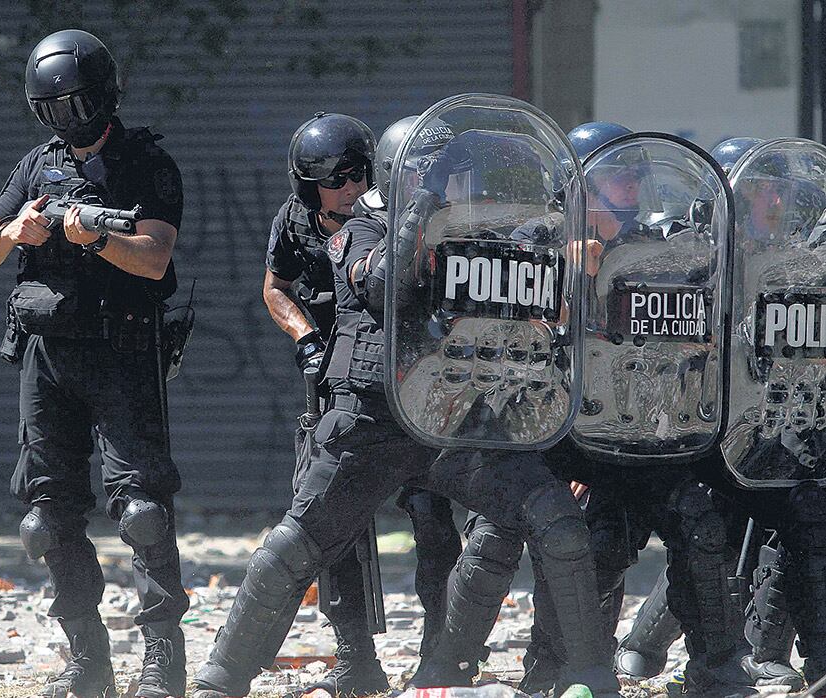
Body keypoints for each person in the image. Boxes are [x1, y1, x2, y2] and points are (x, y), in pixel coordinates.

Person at [191, 119, 621, 698]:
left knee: (556, 522)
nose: (441, 186)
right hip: (375, 426)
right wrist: (415, 213)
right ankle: (222, 677)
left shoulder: (476, 236)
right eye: (426, 175)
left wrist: (573, 270)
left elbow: (539, 309)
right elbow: (377, 288)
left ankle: (589, 675)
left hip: (458, 422)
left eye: (447, 176)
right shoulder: (361, 227)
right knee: (298, 546)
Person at [440, 122, 753, 697]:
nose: (629, 182)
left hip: (638, 428)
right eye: (615, 174)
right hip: (554, 430)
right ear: (579, 183)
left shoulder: (659, 250)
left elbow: (693, 337)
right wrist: (574, 280)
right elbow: (510, 340)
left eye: (635, 172)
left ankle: (717, 666)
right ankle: (474, 667)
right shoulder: (535, 245)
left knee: (696, 524)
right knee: (517, 536)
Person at [0, 29, 188, 698]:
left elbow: (154, 256)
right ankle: (86, 662)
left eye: (76, 104)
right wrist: (17, 232)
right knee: (46, 516)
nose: (66, 118)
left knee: (142, 512)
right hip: (47, 353)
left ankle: (162, 664)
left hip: (120, 348)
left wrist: (95, 236)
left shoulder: (144, 165)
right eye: (53, 107)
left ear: (103, 98)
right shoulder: (36, 165)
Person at [261, 113, 462, 697]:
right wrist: (307, 340)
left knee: (433, 521)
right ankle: (356, 657)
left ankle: (439, 651)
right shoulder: (295, 220)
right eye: (337, 179)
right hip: (336, 383)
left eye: (359, 175)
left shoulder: (396, 215)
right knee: (329, 525)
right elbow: (275, 287)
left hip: (407, 382)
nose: (351, 188)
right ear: (309, 187)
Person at [616, 135, 826, 690]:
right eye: (760, 193)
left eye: (780, 193)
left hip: (769, 430)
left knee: (807, 518)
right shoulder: (683, 259)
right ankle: (645, 647)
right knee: (710, 533)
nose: (774, 205)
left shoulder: (792, 264)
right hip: (697, 436)